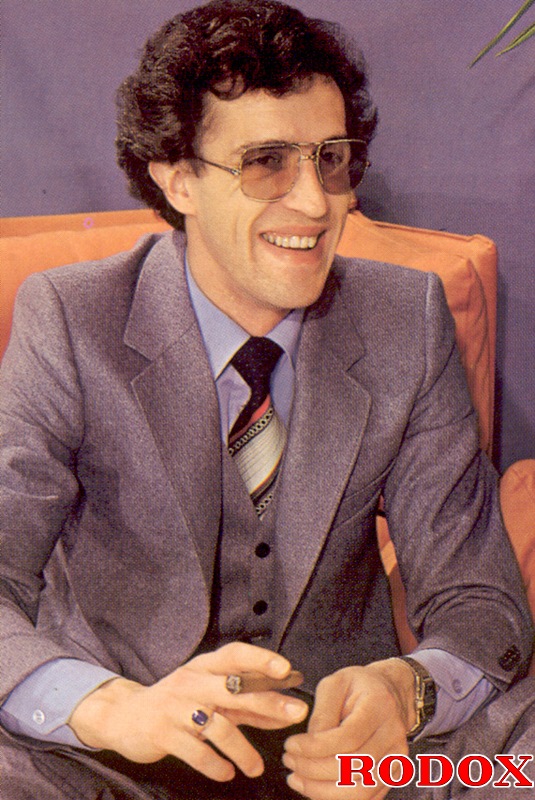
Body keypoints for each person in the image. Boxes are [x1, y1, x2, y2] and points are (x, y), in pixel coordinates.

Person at [0, 1, 533, 798]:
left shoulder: (406, 320)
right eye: (266, 162)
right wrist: (110, 709)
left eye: (330, 159)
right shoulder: (72, 318)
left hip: (342, 763)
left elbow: (478, 600)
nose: (316, 204)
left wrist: (406, 691)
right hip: (108, 755)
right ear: (176, 176)